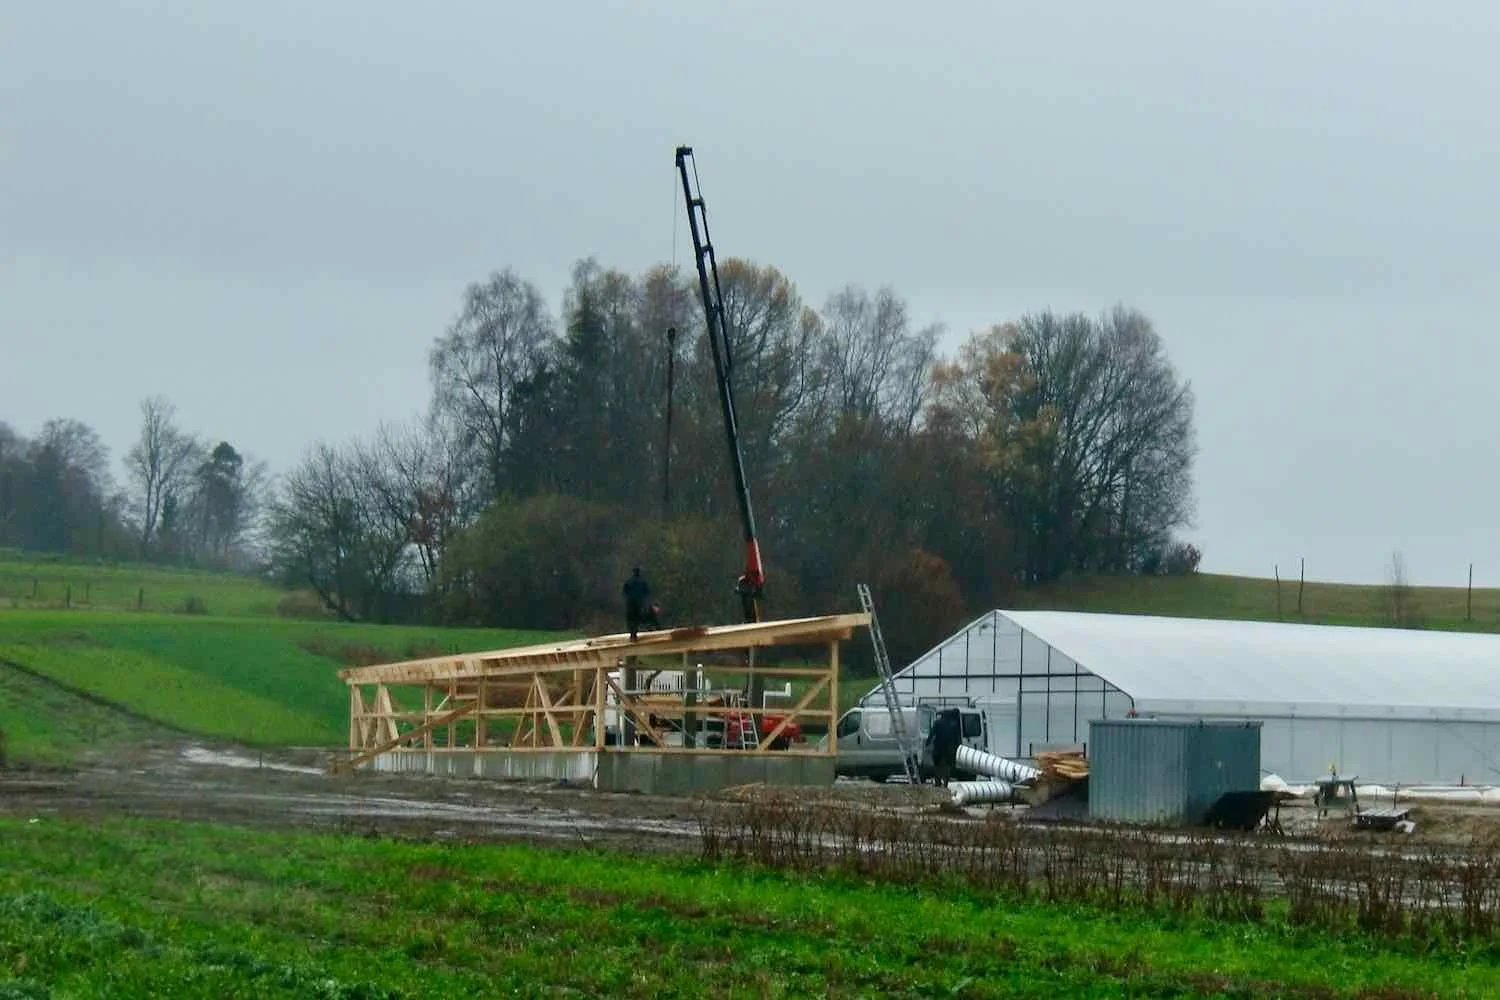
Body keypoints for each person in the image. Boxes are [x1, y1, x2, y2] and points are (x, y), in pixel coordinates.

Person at [927, 708, 962, 787]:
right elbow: (956, 738)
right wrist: (958, 747)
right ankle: (946, 783)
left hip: (938, 747)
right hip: (949, 749)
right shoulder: (953, 725)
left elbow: (932, 734)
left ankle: (938, 782)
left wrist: (927, 743)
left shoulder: (937, 723)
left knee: (937, 766)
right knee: (947, 766)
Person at [623, 567, 651, 641]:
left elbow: (624, 592)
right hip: (639, 603)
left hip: (630, 603)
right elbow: (646, 592)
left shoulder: (628, 581)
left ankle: (632, 635)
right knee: (637, 619)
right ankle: (635, 633)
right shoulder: (643, 582)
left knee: (631, 619)